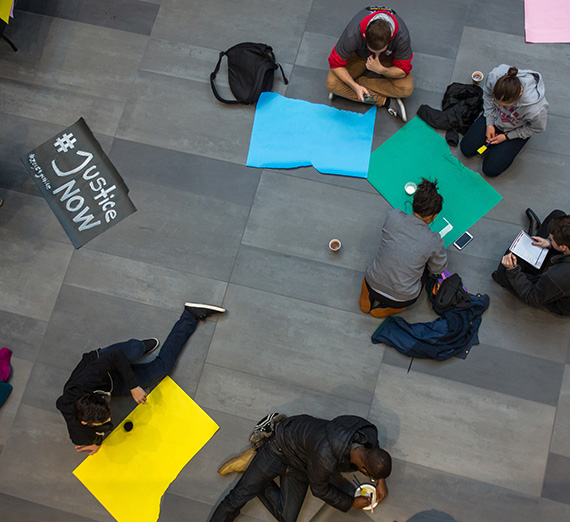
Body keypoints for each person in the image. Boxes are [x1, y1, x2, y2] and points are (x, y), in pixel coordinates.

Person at [56, 302, 226, 455]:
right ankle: (191, 315)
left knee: (134, 349)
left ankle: (140, 347)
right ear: (85, 423)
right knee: (162, 368)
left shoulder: (87, 378)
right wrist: (96, 443)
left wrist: (133, 387)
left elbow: (115, 357)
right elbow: (92, 438)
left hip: (103, 363)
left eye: (107, 414)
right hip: (111, 385)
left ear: (96, 397)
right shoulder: (78, 432)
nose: (110, 418)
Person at [209, 414, 391, 522]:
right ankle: (259, 455)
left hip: (303, 461)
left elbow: (375, 453)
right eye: (372, 477)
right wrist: (351, 502)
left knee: (287, 518)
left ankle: (253, 468)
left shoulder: (367, 433)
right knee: (237, 497)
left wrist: (381, 479)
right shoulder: (325, 459)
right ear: (365, 471)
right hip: (279, 447)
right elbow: (320, 490)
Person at [360, 178, 447, 318]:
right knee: (427, 269)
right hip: (401, 298)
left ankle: (366, 291)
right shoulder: (434, 241)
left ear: (413, 203)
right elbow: (438, 269)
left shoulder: (393, 216)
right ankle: (392, 309)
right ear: (434, 216)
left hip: (372, 281)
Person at [326, 6, 413, 121]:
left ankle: (354, 84)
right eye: (371, 48)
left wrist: (381, 69)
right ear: (364, 36)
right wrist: (355, 86)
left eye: (379, 51)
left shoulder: (401, 36)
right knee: (332, 83)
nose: (374, 54)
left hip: (386, 60)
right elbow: (335, 63)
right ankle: (385, 101)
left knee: (406, 89)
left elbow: (403, 70)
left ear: (390, 39)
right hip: (359, 56)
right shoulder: (353, 33)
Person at [460, 64, 548, 177]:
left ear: (519, 95)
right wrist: (490, 123)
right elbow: (487, 95)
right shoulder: (495, 76)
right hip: (495, 119)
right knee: (466, 149)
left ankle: (501, 147)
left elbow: (535, 128)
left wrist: (507, 137)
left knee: (490, 170)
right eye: (497, 103)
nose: (500, 108)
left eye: (505, 105)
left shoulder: (536, 109)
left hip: (516, 128)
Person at [492, 210, 570, 315]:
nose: (549, 239)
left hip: (558, 297)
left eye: (551, 239)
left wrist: (513, 270)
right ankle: (534, 258)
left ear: (563, 247)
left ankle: (528, 266)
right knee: (557, 215)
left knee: (503, 273)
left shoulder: (555, 276)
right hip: (561, 275)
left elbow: (533, 298)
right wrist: (550, 244)